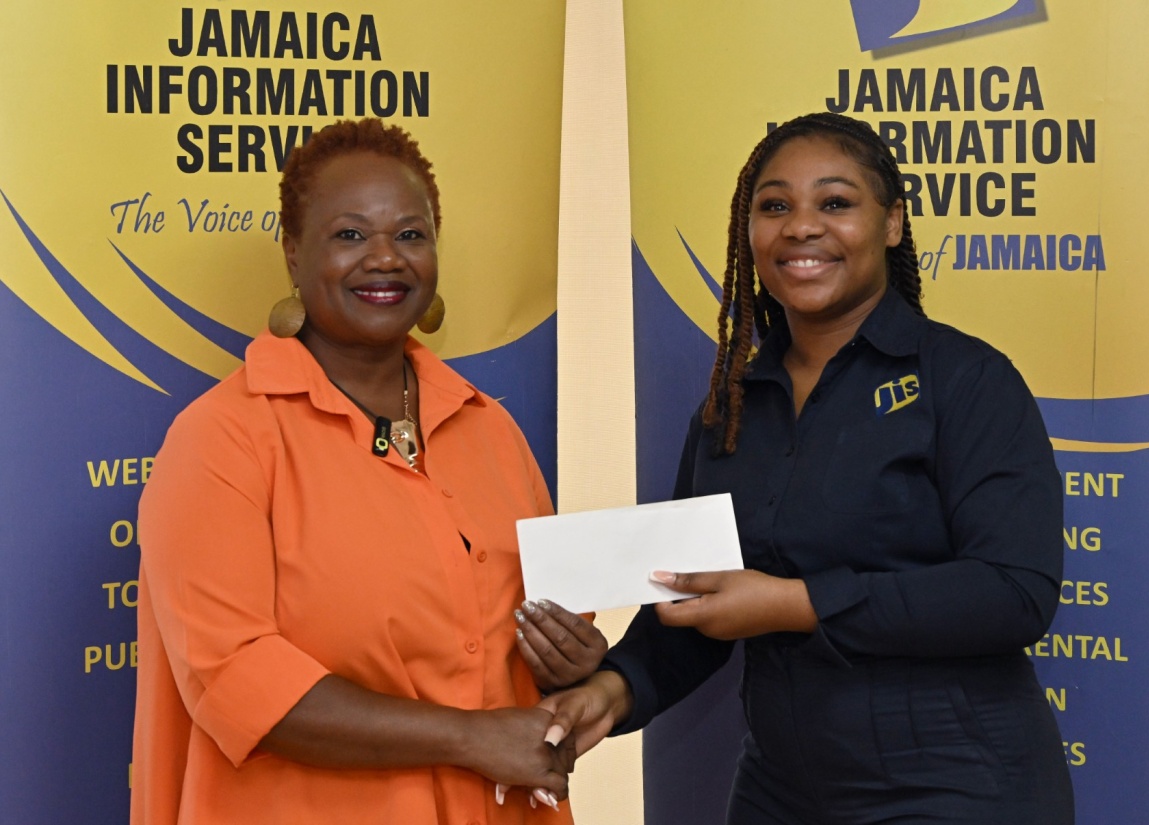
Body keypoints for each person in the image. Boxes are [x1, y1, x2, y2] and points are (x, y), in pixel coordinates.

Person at [537, 112, 1075, 824]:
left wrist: (796, 601)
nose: (800, 227)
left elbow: (1013, 592)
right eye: (774, 206)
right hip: (783, 789)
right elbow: (691, 605)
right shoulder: (730, 406)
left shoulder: (966, 380)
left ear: (891, 223)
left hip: (956, 781)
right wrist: (611, 687)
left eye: (835, 202)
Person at [130, 118, 605, 825]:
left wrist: (571, 658)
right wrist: (470, 738)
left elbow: (525, 631)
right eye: (350, 235)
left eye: (410, 235)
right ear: (294, 253)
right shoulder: (222, 439)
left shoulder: (488, 427)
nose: (385, 258)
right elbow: (233, 681)